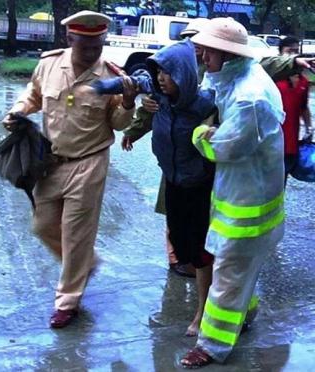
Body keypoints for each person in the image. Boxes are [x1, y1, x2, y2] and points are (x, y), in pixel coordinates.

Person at [2, 10, 137, 329]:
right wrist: (18, 112)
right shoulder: (49, 64)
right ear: (70, 39)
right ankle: (85, 264)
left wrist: (129, 103)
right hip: (50, 162)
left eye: (98, 46)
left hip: (89, 163)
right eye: (85, 46)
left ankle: (67, 301)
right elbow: (33, 96)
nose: (92, 53)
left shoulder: (111, 76)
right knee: (43, 226)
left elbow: (117, 124)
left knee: (76, 235)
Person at [180, 18, 286, 368]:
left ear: (226, 54)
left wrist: (199, 134)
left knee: (228, 273)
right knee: (240, 271)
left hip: (247, 208)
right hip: (245, 196)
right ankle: (246, 314)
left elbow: (221, 148)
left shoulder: (249, 98)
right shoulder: (239, 78)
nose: (203, 56)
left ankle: (211, 345)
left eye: (208, 51)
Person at [95, 37, 216, 337]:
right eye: (158, 71)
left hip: (199, 185)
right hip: (172, 180)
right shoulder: (158, 99)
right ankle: (206, 286)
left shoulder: (204, 105)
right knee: (179, 242)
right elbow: (145, 109)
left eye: (168, 72)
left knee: (201, 252)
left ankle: (203, 312)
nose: (161, 78)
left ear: (185, 74)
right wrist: (133, 132)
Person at [121, 18, 211, 279]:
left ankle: (194, 261)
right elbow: (152, 107)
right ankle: (179, 258)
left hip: (196, 170)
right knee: (174, 216)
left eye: (197, 40)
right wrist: (135, 130)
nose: (192, 44)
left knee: (196, 225)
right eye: (188, 38)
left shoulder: (213, 76)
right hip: (172, 165)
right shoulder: (171, 68)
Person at [275, 36, 313, 184]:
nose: (293, 55)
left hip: (291, 143)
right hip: (272, 143)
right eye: (289, 51)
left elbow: (303, 108)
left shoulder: (304, 81)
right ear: (280, 54)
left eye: (296, 51)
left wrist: (309, 128)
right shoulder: (274, 78)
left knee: (282, 185)